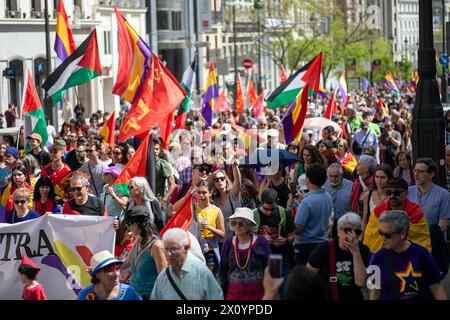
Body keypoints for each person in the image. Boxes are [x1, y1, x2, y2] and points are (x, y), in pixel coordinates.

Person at [369, 210, 447, 300]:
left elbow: (436, 287)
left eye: (387, 235)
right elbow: (374, 291)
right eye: (381, 233)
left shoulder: (421, 253)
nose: (383, 238)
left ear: (402, 234)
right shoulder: (379, 256)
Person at [306, 213, 370, 301]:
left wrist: (356, 252)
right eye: (347, 230)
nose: (352, 236)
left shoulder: (363, 250)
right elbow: (308, 277)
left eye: (357, 232)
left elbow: (361, 282)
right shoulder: (324, 248)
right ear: (339, 231)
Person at [151, 228, 224, 300]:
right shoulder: (162, 278)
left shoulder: (202, 273)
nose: (169, 254)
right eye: (166, 249)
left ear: (186, 248)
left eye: (173, 249)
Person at [363, 177, 431, 254]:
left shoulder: (415, 212)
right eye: (388, 193)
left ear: (406, 193)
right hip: (383, 257)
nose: (392, 196)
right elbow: (371, 240)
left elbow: (421, 242)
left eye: (396, 193)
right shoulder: (378, 211)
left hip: (410, 257)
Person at [219, 207, 270, 300]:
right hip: (233, 295)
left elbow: (269, 268)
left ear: (249, 225)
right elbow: (223, 270)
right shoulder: (228, 243)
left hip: (257, 295)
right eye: (234, 223)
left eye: (241, 223)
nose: (237, 227)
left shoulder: (261, 242)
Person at [121, 206, 167, 299]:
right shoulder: (138, 240)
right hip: (133, 295)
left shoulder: (157, 246)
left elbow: (163, 280)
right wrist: (103, 268)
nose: (128, 227)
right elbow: (126, 263)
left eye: (129, 224)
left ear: (137, 224)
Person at [294, 163, 333, 265]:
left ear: (308, 180)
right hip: (322, 242)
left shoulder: (307, 202)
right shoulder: (327, 196)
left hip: (305, 246)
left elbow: (298, 229)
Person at [254, 188, 295, 277]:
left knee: (284, 288)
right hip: (261, 260)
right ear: (261, 202)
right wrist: (261, 240)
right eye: (266, 209)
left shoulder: (283, 212)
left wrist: (285, 240)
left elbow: (292, 235)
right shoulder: (254, 214)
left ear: (277, 201)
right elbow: (246, 238)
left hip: (282, 258)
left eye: (272, 209)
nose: (269, 212)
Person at [408, 158, 450, 233]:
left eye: (421, 171)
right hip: (410, 238)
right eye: (415, 170)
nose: (416, 174)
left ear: (431, 174)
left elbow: (443, 225)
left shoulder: (443, 195)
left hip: (432, 239)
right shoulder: (408, 192)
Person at [195, 181, 225, 271]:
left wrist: (210, 227)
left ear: (210, 193)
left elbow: (222, 234)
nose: (201, 195)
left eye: (204, 192)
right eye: (199, 193)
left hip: (209, 248)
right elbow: (172, 211)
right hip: (195, 246)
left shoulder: (216, 211)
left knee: (209, 275)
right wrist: (186, 197)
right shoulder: (192, 207)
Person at [209, 160, 242, 239]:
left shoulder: (232, 194)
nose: (219, 181)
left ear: (226, 180)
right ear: (213, 183)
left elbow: (237, 182)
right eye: (216, 180)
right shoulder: (213, 199)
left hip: (235, 239)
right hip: (219, 240)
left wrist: (235, 168)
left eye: (222, 178)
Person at [323, 163, 354, 236]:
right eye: (331, 176)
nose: (333, 179)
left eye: (336, 176)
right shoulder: (323, 185)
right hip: (328, 223)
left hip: (345, 222)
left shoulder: (350, 185)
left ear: (341, 175)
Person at [362, 164, 393, 232]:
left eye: (382, 177)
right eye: (377, 177)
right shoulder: (368, 195)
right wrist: (363, 234)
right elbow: (365, 218)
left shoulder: (393, 196)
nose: (379, 180)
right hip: (371, 233)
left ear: (389, 179)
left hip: (388, 233)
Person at [153, 137, 176, 208]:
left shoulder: (163, 164)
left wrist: (164, 199)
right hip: (145, 200)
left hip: (158, 200)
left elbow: (172, 185)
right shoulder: (144, 163)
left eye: (157, 149)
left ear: (160, 150)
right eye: (152, 149)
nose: (155, 151)